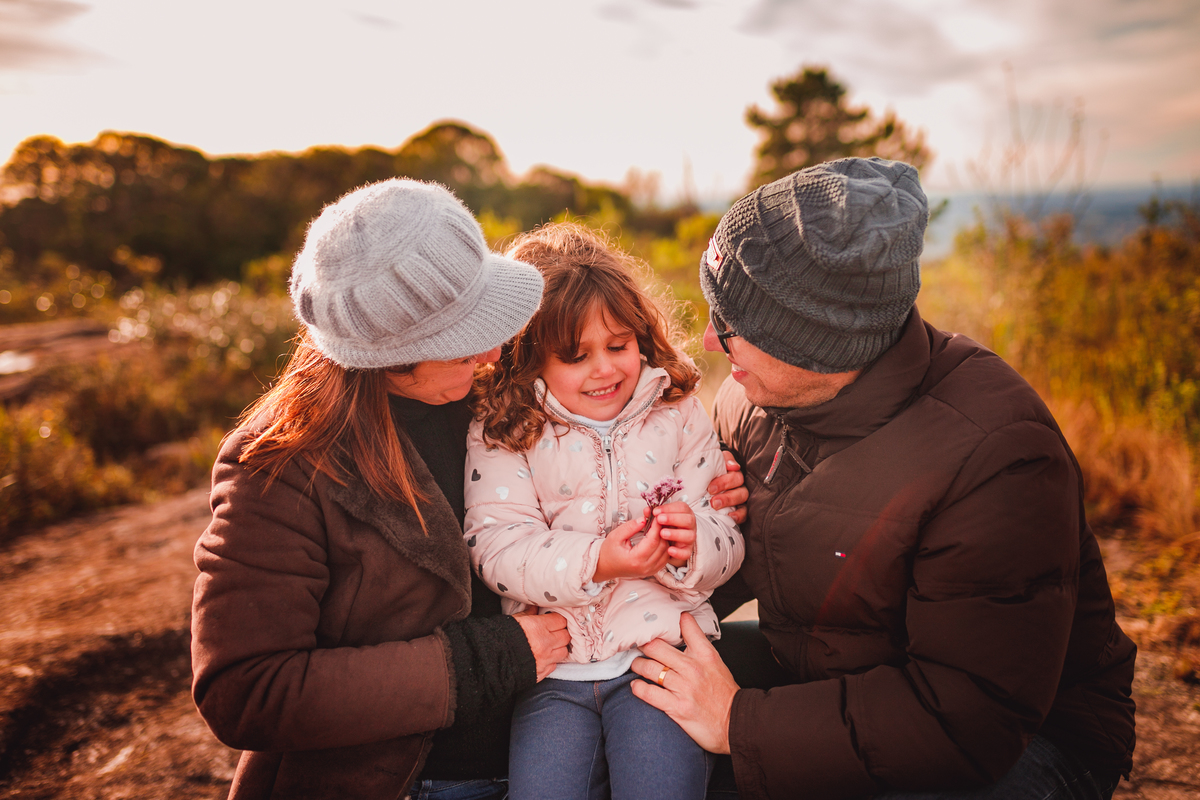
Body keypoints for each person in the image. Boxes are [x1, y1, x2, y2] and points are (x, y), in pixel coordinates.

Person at [190, 180, 749, 800]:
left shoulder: (506, 395)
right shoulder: (282, 464)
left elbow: (625, 494)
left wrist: (707, 507)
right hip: (416, 779)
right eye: (461, 338)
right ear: (392, 356)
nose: (492, 349)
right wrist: (483, 661)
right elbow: (246, 689)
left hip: (581, 725)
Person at [629, 158, 1137, 800]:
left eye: (731, 328)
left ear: (819, 346)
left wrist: (739, 723)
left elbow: (969, 717)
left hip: (1018, 744)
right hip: (829, 672)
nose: (707, 341)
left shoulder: (999, 457)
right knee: (637, 685)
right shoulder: (747, 398)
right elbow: (737, 570)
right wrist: (682, 545)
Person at [464, 223, 745, 800]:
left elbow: (726, 532)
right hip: (554, 670)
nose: (605, 370)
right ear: (530, 357)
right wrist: (599, 562)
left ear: (641, 336)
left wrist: (695, 542)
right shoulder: (505, 431)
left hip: (662, 659)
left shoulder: (678, 412)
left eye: (619, 346)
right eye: (575, 356)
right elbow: (497, 548)